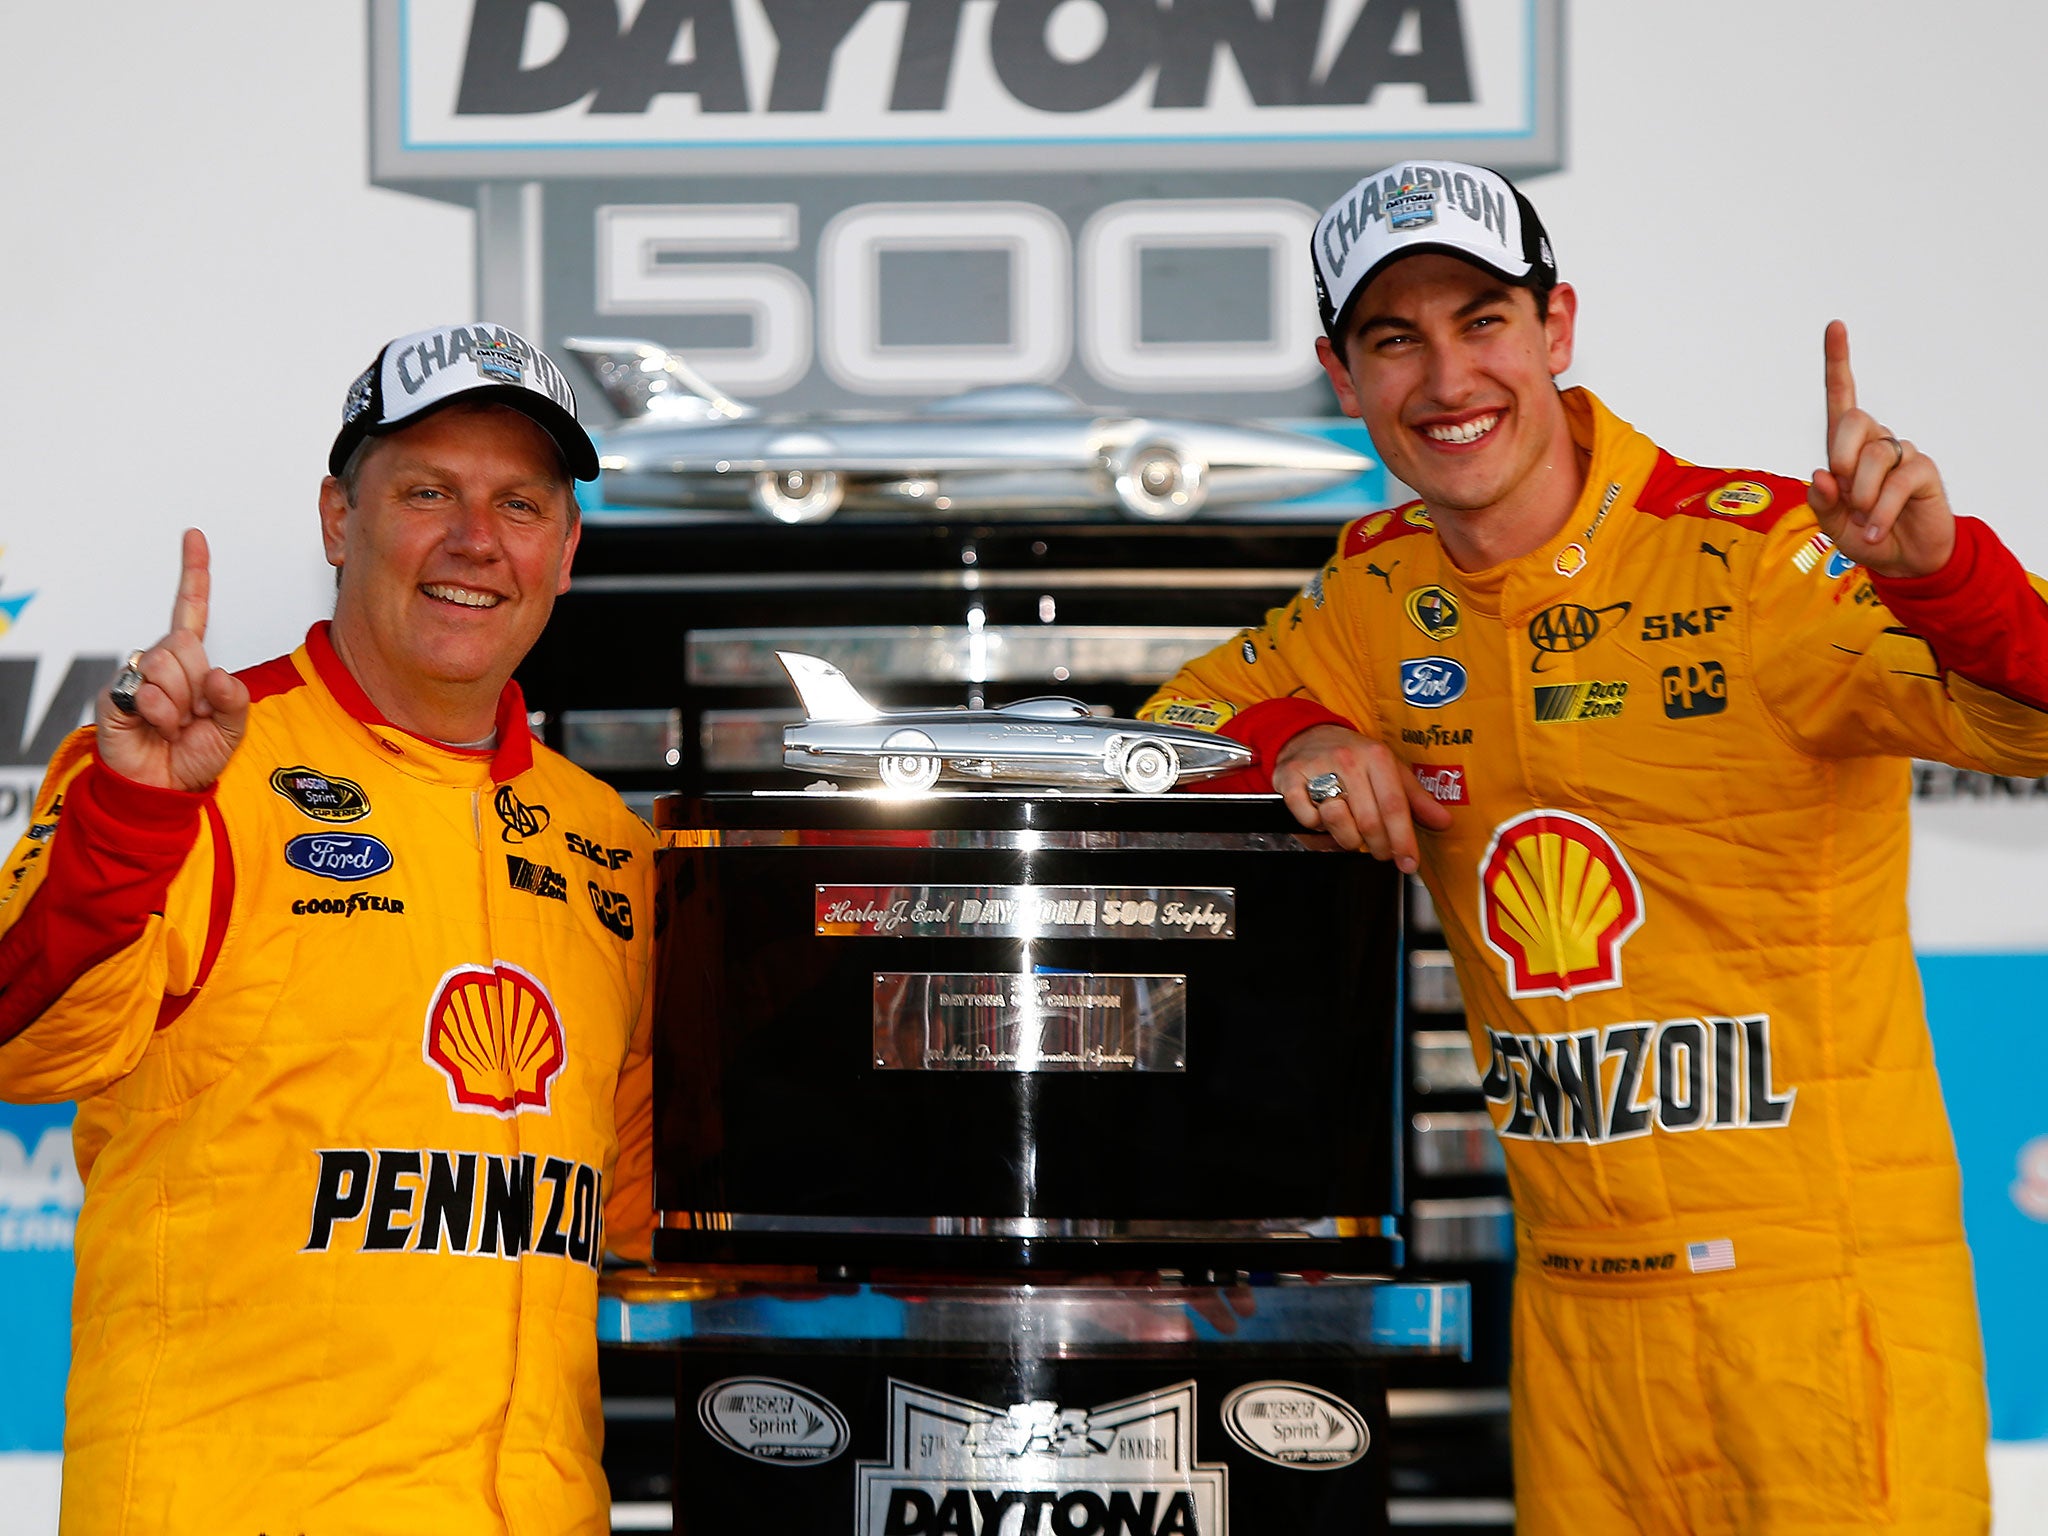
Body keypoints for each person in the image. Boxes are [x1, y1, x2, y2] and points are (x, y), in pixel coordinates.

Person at [1142, 161, 2048, 1533]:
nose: (1448, 378)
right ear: (1343, 377)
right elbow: (1176, 724)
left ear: (1558, 327)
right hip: (1576, 1327)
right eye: (1396, 339)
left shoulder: (1755, 563)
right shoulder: (1380, 595)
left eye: (1483, 319)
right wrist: (1302, 742)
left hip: (1815, 1311)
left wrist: (1938, 575)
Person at [0, 323, 655, 1535]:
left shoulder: (606, 840)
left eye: (519, 504)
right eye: (427, 493)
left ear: (565, 551)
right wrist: (132, 820)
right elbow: (20, 1043)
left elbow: (651, 1204)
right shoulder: (188, 773)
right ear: (336, 521)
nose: (475, 542)